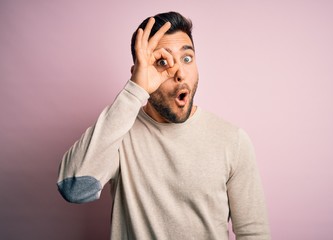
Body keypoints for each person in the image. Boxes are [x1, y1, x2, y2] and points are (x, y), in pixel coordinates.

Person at [57, 11, 270, 239]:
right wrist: (134, 91)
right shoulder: (119, 134)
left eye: (187, 59)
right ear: (139, 74)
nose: (179, 72)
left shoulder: (232, 140)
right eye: (161, 62)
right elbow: (74, 188)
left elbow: (253, 233)